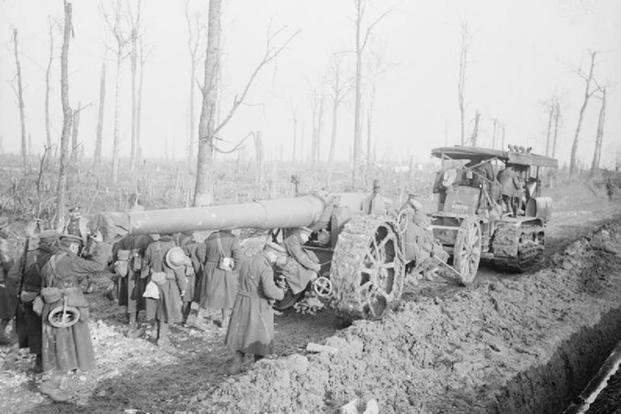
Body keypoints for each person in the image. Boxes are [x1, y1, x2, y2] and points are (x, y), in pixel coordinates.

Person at [38, 233, 108, 401]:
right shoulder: (71, 261)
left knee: (57, 341)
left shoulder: (52, 259)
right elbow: (98, 266)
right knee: (71, 339)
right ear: (73, 246)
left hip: (52, 303)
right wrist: (99, 244)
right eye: (77, 247)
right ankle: (61, 380)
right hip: (67, 305)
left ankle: (58, 375)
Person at [225, 242, 287, 374]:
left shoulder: (247, 261)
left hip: (242, 301)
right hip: (258, 303)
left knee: (242, 332)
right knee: (260, 334)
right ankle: (258, 365)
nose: (276, 260)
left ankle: (236, 364)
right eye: (276, 257)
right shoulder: (265, 267)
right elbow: (269, 291)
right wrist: (281, 292)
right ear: (271, 253)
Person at [7, 229, 61, 372]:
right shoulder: (55, 257)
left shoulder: (28, 255)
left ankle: (35, 361)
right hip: (45, 298)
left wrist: (18, 293)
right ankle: (45, 364)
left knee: (31, 329)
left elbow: (12, 275)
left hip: (27, 296)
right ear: (54, 242)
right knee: (47, 329)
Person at [141, 234, 187, 348]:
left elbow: (145, 264)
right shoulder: (174, 248)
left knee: (156, 309)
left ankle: (155, 331)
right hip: (168, 284)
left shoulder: (151, 246)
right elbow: (179, 272)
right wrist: (183, 288)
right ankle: (162, 339)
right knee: (166, 311)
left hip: (153, 280)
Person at [197, 229, 242, 329]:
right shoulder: (232, 239)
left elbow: (200, 253)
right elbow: (238, 257)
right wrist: (235, 269)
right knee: (227, 295)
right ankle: (225, 321)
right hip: (224, 270)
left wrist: (207, 262)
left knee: (206, 293)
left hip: (209, 268)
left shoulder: (209, 238)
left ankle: (199, 318)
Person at [112, 234, 153, 336]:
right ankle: (132, 328)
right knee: (135, 300)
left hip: (125, 273)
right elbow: (149, 258)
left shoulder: (124, 239)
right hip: (138, 276)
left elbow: (114, 256)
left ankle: (131, 320)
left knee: (128, 298)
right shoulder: (146, 238)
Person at [282, 227, 320, 293]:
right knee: (305, 275)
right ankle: (293, 294)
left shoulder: (295, 240)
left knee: (307, 272)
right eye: (306, 236)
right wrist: (314, 266)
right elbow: (300, 258)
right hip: (281, 262)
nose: (307, 239)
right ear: (300, 234)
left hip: (284, 260)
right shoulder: (292, 241)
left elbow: (301, 255)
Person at [0, 232, 15, 345]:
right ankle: (1, 336)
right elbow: (8, 265)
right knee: (6, 312)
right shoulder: (2, 244)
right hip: (2, 283)